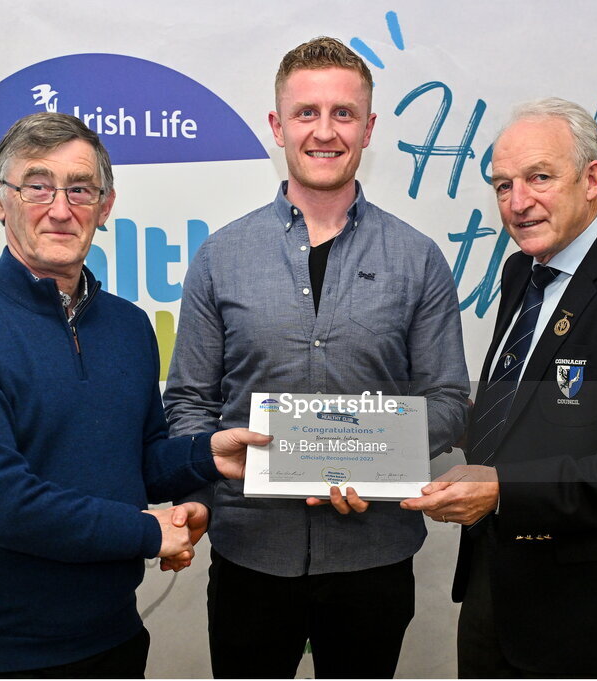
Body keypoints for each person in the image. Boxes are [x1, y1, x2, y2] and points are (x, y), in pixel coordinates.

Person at [0, 112, 269, 678]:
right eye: (37, 185)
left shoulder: (128, 326)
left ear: (105, 207)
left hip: (114, 641)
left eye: (80, 189)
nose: (60, 208)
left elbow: (139, 461)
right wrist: (151, 531)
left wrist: (208, 454)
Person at [163, 37, 468, 678]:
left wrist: (373, 457)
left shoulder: (418, 259)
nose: (324, 132)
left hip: (374, 556)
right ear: (278, 125)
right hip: (250, 551)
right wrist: (204, 486)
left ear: (368, 127)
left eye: (342, 114)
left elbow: (448, 401)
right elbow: (189, 400)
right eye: (306, 113)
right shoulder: (221, 256)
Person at [401, 98, 597, 677]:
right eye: (503, 185)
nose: (518, 203)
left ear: (592, 179)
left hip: (582, 616)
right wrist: (382, 429)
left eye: (539, 177)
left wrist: (503, 491)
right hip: (493, 591)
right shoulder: (522, 273)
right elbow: (513, 413)